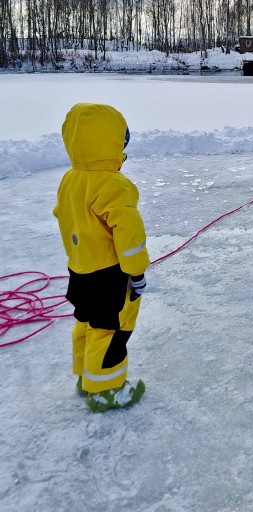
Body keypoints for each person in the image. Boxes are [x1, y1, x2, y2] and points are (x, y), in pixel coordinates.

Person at [53, 103, 149, 412]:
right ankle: (106, 390)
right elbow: (129, 235)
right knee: (110, 328)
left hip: (79, 269)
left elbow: (62, 214)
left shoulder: (70, 179)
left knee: (86, 321)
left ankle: (87, 377)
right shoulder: (114, 185)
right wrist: (136, 272)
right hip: (109, 273)